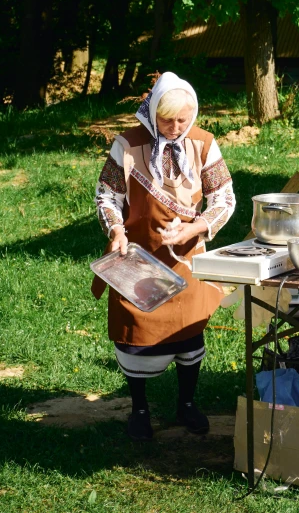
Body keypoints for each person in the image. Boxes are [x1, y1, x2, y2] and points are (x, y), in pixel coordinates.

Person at [92, 72, 235, 441]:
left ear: (194, 114)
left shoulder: (204, 144)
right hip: (137, 257)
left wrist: (196, 228)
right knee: (136, 333)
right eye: (166, 119)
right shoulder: (126, 145)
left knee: (189, 332)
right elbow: (107, 196)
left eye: (182, 120)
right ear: (152, 111)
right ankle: (139, 410)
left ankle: (186, 404)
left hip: (185, 257)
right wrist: (117, 230)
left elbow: (224, 199)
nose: (174, 127)